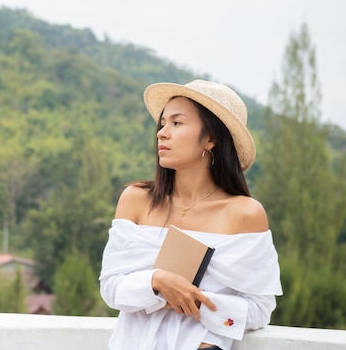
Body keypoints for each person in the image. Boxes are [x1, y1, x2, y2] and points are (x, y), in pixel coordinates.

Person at [99, 80, 282, 350]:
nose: (162, 133)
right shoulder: (136, 200)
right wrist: (157, 281)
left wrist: (195, 301)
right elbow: (111, 289)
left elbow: (259, 309)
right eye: (162, 123)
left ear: (210, 139)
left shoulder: (245, 213)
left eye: (177, 123)